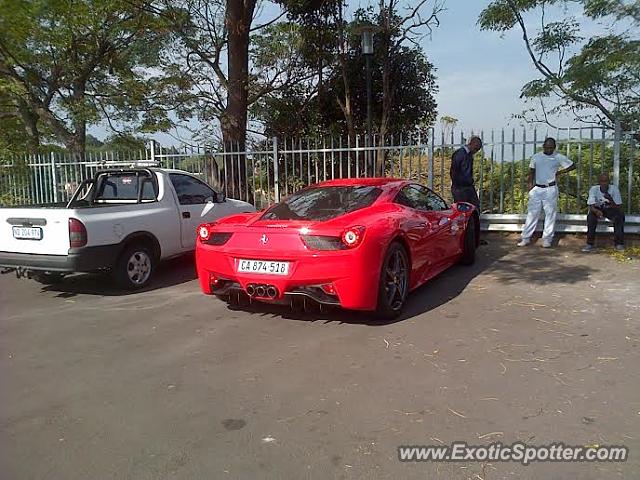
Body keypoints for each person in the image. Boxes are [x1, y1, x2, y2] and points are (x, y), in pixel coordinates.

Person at [517, 137, 575, 248]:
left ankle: (547, 239)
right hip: (537, 189)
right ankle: (525, 238)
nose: (549, 150)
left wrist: (559, 172)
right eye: (547, 147)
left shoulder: (558, 157)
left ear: (554, 148)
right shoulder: (536, 157)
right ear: (543, 146)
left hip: (550, 188)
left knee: (550, 214)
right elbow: (531, 171)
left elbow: (572, 165)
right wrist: (530, 184)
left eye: (551, 148)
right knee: (532, 214)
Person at [582, 174, 625, 252]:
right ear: (599, 182)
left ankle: (619, 243)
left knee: (619, 216)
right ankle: (589, 244)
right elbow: (591, 206)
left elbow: (618, 207)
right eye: (602, 181)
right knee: (591, 218)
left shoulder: (614, 189)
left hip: (610, 208)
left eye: (606, 181)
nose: (604, 183)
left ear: (609, 182)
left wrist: (610, 199)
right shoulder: (594, 189)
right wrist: (596, 211)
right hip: (597, 208)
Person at [450, 136, 483, 208]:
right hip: (460, 188)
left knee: (474, 208)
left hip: (468, 186)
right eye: (476, 148)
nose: (476, 151)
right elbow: (454, 171)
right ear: (472, 144)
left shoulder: (469, 155)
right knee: (463, 209)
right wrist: (457, 186)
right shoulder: (460, 154)